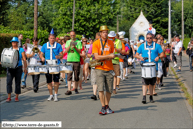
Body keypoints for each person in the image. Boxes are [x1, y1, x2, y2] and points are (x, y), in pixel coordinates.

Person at [92, 25, 116, 115]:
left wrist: (110, 57)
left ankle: (107, 106)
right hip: (99, 68)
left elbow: (112, 55)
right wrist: (108, 56)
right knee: (101, 89)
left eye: (106, 32)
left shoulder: (111, 42)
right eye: (103, 32)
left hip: (109, 68)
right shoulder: (96, 43)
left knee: (109, 89)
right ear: (100, 33)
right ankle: (103, 107)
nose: (105, 34)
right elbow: (96, 57)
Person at [135, 33, 164, 104]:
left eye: (150, 38)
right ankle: (144, 97)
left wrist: (159, 57)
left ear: (153, 38)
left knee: (152, 83)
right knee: (144, 83)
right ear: (146, 38)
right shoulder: (142, 46)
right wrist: (140, 57)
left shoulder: (157, 46)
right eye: (147, 38)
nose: (149, 39)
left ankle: (151, 96)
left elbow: (163, 54)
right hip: (144, 67)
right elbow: (136, 55)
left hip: (154, 66)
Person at [40, 34, 63, 102]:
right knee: (49, 81)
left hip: (56, 64)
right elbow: (41, 54)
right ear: (48, 38)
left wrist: (59, 57)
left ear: (55, 39)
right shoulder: (45, 45)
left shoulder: (58, 45)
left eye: (53, 38)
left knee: (56, 80)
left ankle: (55, 95)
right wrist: (42, 57)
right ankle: (51, 95)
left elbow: (62, 55)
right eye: (51, 38)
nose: (52, 39)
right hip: (47, 64)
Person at [6, 37, 27, 102]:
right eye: (12, 42)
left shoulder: (21, 50)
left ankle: (16, 97)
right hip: (10, 68)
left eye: (15, 42)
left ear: (17, 43)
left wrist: (25, 68)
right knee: (9, 82)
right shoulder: (9, 49)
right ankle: (9, 97)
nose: (13, 43)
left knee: (17, 82)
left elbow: (24, 59)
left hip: (18, 68)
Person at [64, 31, 82, 95]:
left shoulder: (79, 42)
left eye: (73, 35)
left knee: (76, 75)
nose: (72, 36)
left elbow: (80, 51)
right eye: (71, 35)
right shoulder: (68, 42)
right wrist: (70, 45)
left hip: (76, 60)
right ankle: (69, 89)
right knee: (69, 75)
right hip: (69, 60)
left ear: (75, 35)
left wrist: (75, 47)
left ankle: (76, 88)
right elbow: (66, 51)